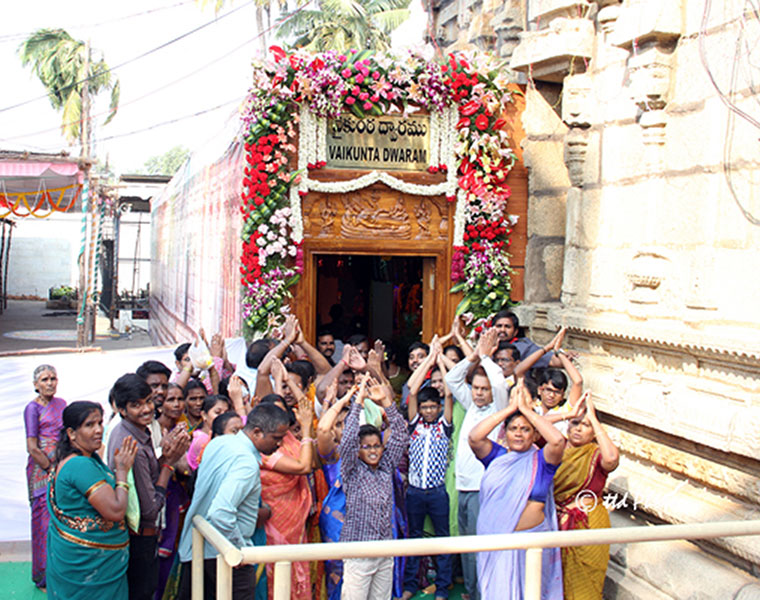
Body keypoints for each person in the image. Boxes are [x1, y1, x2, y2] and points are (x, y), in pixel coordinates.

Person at [175, 403, 291, 600]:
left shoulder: (219, 443)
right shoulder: (246, 462)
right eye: (276, 438)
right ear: (257, 432)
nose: (280, 444)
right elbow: (220, 511)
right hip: (225, 555)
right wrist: (239, 550)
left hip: (200, 549)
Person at [469, 383, 565, 600]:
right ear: (505, 433)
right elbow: (475, 437)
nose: (519, 434)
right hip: (497, 542)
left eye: (525, 429)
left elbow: (558, 440)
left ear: (534, 434)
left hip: (532, 544)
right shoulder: (496, 457)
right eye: (514, 429)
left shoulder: (542, 461)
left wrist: (528, 411)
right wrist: (511, 409)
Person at [107, 373, 190, 600]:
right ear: (122, 410)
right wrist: (170, 464)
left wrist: (166, 456)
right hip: (139, 537)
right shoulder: (130, 442)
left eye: (148, 402)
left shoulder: (137, 431)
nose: (146, 409)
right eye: (136, 405)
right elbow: (151, 509)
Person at [47, 401, 137, 600]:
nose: (98, 430)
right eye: (89, 425)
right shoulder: (80, 465)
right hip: (90, 565)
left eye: (99, 423)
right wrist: (122, 472)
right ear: (71, 433)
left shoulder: (78, 459)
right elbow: (114, 511)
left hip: (90, 561)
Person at [444, 329, 507, 600]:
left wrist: (486, 359)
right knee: (467, 548)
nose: (479, 393)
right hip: (463, 486)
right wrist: (473, 357)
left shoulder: (498, 409)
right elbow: (451, 378)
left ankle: (484, 594)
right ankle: (472, 592)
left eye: (484, 389)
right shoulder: (471, 404)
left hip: (485, 489)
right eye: (477, 388)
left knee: (483, 548)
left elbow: (501, 385)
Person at [339, 375, 408, 600]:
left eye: (376, 446)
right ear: (358, 450)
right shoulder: (352, 469)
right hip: (358, 553)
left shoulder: (386, 466)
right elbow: (348, 439)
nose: (372, 450)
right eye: (366, 447)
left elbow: (400, 435)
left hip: (384, 551)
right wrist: (358, 402)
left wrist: (386, 402)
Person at [553, 393, 619, 599]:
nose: (579, 428)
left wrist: (595, 419)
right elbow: (532, 425)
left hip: (589, 524)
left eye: (586, 425)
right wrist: (567, 414)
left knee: (586, 589)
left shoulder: (595, 453)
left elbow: (612, 459)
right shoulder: (556, 447)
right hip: (555, 524)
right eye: (575, 423)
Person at [402, 342, 454, 600]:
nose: (430, 411)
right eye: (426, 407)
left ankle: (443, 588)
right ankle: (410, 584)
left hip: (436, 493)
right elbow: (412, 389)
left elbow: (450, 392)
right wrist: (428, 360)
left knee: (442, 540)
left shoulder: (444, 425)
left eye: (433, 407)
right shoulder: (415, 424)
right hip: (414, 492)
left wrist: (440, 360)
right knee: (414, 539)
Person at [258, 392, 315, 599]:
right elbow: (304, 466)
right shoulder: (264, 448)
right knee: (277, 572)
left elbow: (313, 462)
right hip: (274, 520)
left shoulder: (287, 438)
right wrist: (307, 428)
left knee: (296, 567)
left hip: (295, 518)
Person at [23, 364, 66, 590]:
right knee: (42, 521)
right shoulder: (32, 409)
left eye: (53, 378)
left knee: (59, 518)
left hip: (61, 464)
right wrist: (50, 468)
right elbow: (32, 446)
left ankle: (59, 573)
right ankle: (42, 576)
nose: (50, 383)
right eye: (44, 379)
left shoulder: (62, 405)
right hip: (41, 468)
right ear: (35, 385)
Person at [186, 395, 232, 471]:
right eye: (217, 413)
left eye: (226, 413)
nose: (223, 417)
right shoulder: (202, 440)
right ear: (204, 415)